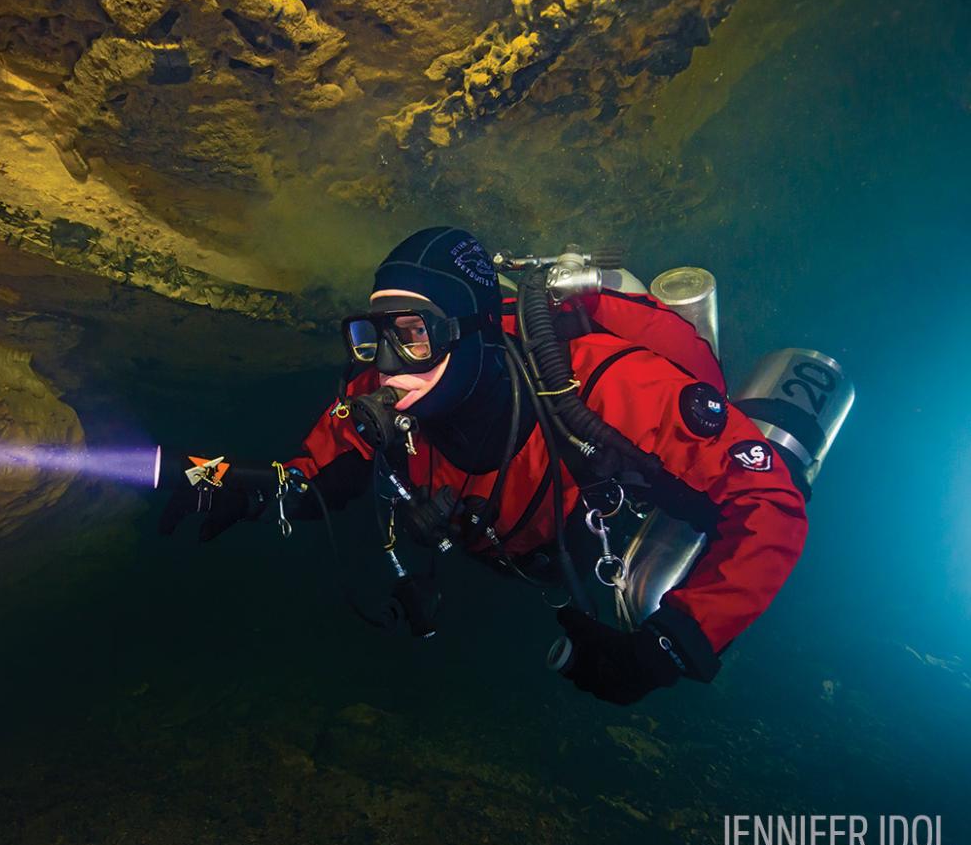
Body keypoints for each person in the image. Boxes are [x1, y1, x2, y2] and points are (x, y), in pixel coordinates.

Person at [161, 226, 808, 705]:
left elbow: (771, 502)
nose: (386, 366)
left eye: (412, 333)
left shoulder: (603, 387)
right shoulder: (381, 394)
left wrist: (665, 646)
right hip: (517, 555)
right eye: (375, 334)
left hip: (613, 538)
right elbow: (316, 468)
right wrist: (232, 486)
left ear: (474, 334)